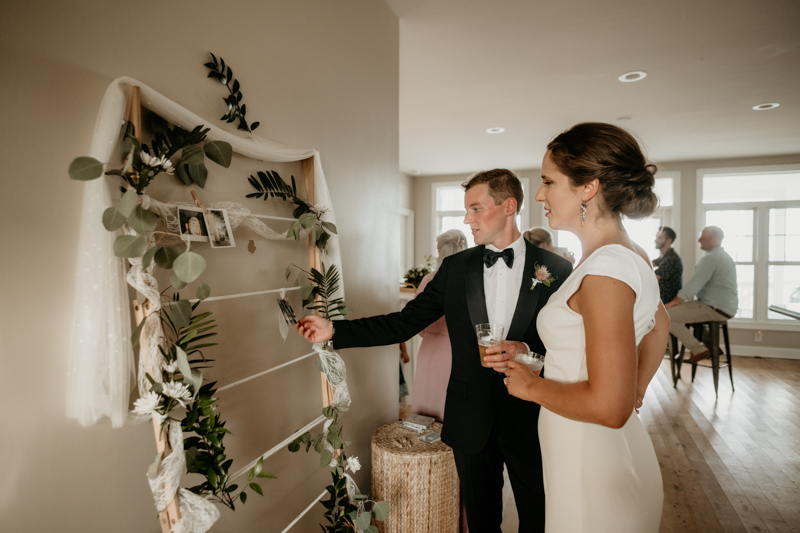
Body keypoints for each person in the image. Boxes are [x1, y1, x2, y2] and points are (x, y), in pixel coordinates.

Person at [296, 169, 573, 532]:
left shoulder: (557, 268)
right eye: (466, 210)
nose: (466, 218)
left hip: (534, 415)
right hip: (470, 415)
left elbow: (569, 344)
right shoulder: (456, 269)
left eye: (476, 208)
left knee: (539, 517)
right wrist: (335, 330)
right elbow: (404, 322)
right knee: (481, 520)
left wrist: (525, 350)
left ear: (509, 206)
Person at [504, 122, 668, 533]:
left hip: (588, 459)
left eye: (548, 181)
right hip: (595, 447)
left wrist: (531, 387)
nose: (539, 194)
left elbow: (609, 409)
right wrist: (632, 388)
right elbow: (658, 326)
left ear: (588, 188)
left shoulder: (606, 271)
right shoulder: (629, 255)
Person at [412, 229, 467, 422]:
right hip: (456, 349)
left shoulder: (428, 280)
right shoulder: (469, 280)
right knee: (449, 405)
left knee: (427, 401)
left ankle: (427, 450)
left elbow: (416, 322)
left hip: (428, 348)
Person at [664, 226, 738, 363]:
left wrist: (672, 303)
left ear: (715, 239)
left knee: (665, 316)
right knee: (684, 311)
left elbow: (693, 286)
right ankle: (712, 346)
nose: (699, 240)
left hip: (715, 307)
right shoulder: (722, 256)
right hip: (723, 306)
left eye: (702, 237)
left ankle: (699, 350)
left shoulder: (711, 258)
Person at [653, 226, 683, 303]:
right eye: (656, 237)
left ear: (669, 241)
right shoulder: (664, 257)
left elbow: (653, 277)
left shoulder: (671, 259)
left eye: (659, 238)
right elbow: (649, 263)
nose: (656, 240)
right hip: (660, 300)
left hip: (666, 303)